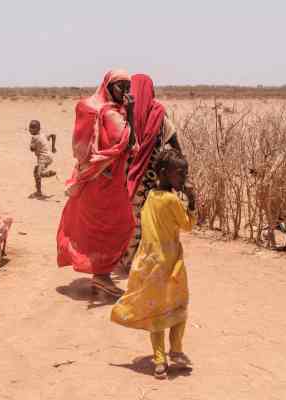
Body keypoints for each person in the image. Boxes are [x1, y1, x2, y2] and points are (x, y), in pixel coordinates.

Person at [111, 148, 196, 380]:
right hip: (169, 263)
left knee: (156, 311)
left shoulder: (151, 196)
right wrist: (193, 200)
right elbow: (187, 225)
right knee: (179, 306)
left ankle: (159, 361)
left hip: (149, 261)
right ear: (164, 173)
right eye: (180, 174)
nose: (184, 178)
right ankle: (176, 350)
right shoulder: (171, 200)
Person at [56, 70, 137, 297]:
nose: (125, 92)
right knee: (114, 227)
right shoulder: (109, 114)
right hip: (102, 182)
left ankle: (101, 275)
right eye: (120, 86)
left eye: (127, 87)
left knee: (116, 226)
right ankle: (102, 276)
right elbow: (127, 144)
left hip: (110, 182)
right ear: (108, 87)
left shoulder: (114, 111)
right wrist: (130, 115)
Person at [120, 74, 181, 273]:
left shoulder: (123, 113)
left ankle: (128, 260)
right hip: (152, 178)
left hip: (126, 177)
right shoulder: (159, 115)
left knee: (130, 218)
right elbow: (175, 145)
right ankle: (144, 260)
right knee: (149, 219)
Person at [28, 120, 57, 198]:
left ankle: (48, 173)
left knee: (40, 173)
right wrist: (53, 147)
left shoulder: (34, 137)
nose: (30, 129)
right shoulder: (43, 135)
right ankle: (38, 191)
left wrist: (32, 147)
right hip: (49, 156)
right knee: (35, 172)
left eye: (33, 128)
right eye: (30, 127)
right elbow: (53, 135)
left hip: (43, 158)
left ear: (38, 129)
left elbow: (32, 149)